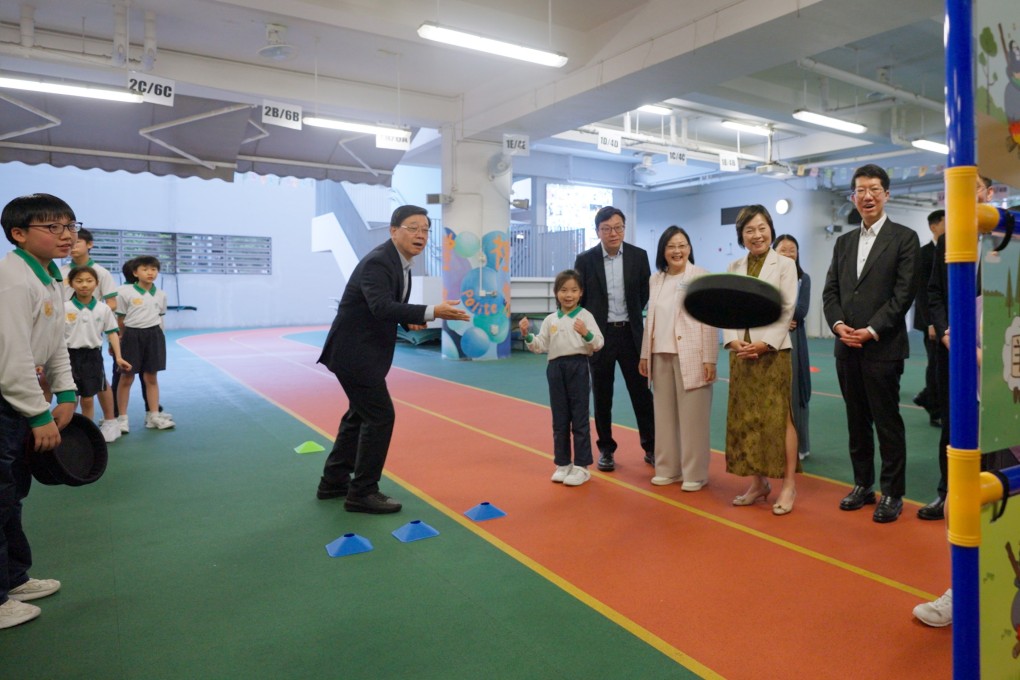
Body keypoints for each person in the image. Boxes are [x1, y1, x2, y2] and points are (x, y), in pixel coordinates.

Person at [316, 205, 470, 514]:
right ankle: (362, 492)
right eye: (413, 228)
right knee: (380, 416)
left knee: (358, 415)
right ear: (393, 231)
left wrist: (408, 319)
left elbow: (387, 308)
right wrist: (432, 311)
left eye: (425, 230)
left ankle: (333, 481)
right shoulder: (378, 262)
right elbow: (381, 307)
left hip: (360, 353)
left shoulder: (399, 262)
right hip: (354, 353)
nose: (421, 235)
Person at [912, 175, 996, 627]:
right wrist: (949, 334)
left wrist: (990, 351)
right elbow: (934, 295)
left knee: (1000, 481)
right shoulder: (948, 242)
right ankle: (962, 588)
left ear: (989, 193)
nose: (964, 195)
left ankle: (994, 586)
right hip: (958, 370)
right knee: (959, 472)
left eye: (975, 185)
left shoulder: (1009, 240)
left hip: (1005, 382)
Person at [822, 164, 920, 523]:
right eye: (861, 190)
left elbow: (903, 294)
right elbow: (830, 291)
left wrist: (872, 329)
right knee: (855, 420)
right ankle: (863, 485)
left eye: (875, 189)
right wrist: (837, 325)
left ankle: (893, 492)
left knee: (887, 421)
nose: (868, 196)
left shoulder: (905, 238)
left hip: (883, 347)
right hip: (846, 346)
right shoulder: (843, 243)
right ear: (852, 196)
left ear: (887, 194)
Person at [0, 193, 77, 629]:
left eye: (69, 225)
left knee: (12, 493)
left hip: (18, 399)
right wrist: (38, 413)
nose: (66, 236)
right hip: (7, 400)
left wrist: (65, 393)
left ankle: (13, 579)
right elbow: (10, 359)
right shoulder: (12, 279)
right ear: (19, 234)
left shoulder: (48, 276)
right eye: (54, 227)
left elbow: (53, 345)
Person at [723, 205, 799, 515]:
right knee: (746, 418)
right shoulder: (734, 266)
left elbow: (787, 308)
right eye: (750, 230)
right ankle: (758, 483)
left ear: (771, 228)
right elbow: (725, 310)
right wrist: (732, 339)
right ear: (741, 236)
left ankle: (789, 485)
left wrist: (765, 344)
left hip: (774, 353)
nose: (757, 235)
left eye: (762, 227)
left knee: (780, 418)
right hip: (742, 353)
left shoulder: (784, 265)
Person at [573, 206, 654, 472]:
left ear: (624, 228)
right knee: (603, 396)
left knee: (641, 393)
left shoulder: (638, 257)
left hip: (631, 335)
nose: (613, 233)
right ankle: (606, 450)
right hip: (600, 337)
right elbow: (581, 299)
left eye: (618, 227)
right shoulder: (585, 260)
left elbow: (644, 294)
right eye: (607, 228)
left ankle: (652, 447)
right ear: (598, 231)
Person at [638, 226, 717, 491]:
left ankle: (695, 473)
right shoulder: (656, 279)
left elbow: (709, 319)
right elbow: (650, 320)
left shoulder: (701, 276)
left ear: (689, 248)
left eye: (682, 245)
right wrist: (644, 354)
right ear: (663, 250)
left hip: (692, 355)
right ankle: (667, 468)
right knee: (663, 416)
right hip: (660, 354)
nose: (677, 251)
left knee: (693, 418)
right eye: (671, 246)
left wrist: (710, 359)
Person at [519, 269, 605, 487]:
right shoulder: (550, 320)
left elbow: (598, 343)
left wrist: (586, 333)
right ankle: (563, 463)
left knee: (579, 417)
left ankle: (582, 467)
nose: (569, 295)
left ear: (581, 293)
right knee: (559, 419)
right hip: (556, 368)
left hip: (578, 366)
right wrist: (527, 335)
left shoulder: (585, 316)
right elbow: (540, 345)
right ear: (556, 293)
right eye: (564, 290)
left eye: (574, 290)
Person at [61, 228, 121, 439]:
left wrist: (92, 313)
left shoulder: (101, 272)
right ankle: (67, 427)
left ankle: (111, 421)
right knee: (65, 387)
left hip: (91, 338)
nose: (72, 246)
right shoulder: (61, 272)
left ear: (89, 245)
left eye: (77, 242)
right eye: (69, 243)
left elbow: (112, 302)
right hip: (67, 341)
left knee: (99, 383)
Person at [64, 266, 131, 440]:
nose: (84, 285)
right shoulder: (64, 307)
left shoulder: (103, 309)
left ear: (96, 284)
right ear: (71, 283)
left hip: (92, 357)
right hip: (67, 356)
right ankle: (69, 432)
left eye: (89, 281)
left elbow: (112, 333)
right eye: (79, 281)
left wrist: (118, 357)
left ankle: (87, 433)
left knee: (88, 398)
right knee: (70, 398)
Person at [114, 255, 175, 432]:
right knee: (126, 377)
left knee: (151, 377)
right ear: (135, 272)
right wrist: (118, 342)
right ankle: (122, 418)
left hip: (154, 336)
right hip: (132, 336)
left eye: (154, 269)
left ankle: (153, 416)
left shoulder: (161, 294)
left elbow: (160, 319)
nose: (150, 273)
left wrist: (160, 340)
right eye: (145, 269)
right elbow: (120, 320)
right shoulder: (124, 292)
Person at [774, 235, 812, 461]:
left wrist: (780, 314)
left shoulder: (803, 279)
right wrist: (781, 318)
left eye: (792, 250)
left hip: (795, 338)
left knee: (796, 391)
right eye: (783, 250)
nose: (788, 253)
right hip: (770, 336)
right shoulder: (768, 277)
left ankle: (799, 446)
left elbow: (801, 311)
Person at [911, 210, 945, 428]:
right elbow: (922, 292)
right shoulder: (923, 254)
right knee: (934, 365)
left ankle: (926, 396)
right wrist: (931, 323)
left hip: (947, 320)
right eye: (945, 222)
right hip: (930, 323)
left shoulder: (950, 248)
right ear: (934, 227)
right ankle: (934, 408)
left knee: (941, 365)